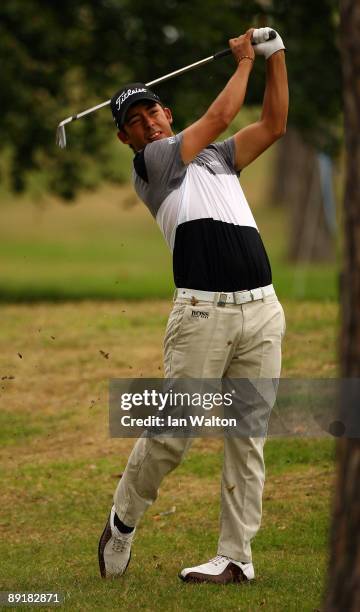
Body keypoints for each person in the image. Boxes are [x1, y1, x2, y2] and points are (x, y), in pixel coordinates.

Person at [98, 27, 288, 584]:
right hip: (203, 315)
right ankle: (123, 520)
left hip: (260, 310)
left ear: (166, 109)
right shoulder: (153, 164)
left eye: (151, 111)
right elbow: (222, 116)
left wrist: (277, 60)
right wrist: (245, 61)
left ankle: (236, 557)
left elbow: (273, 125)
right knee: (175, 432)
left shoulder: (219, 159)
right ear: (126, 139)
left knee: (248, 438)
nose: (147, 122)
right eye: (133, 122)